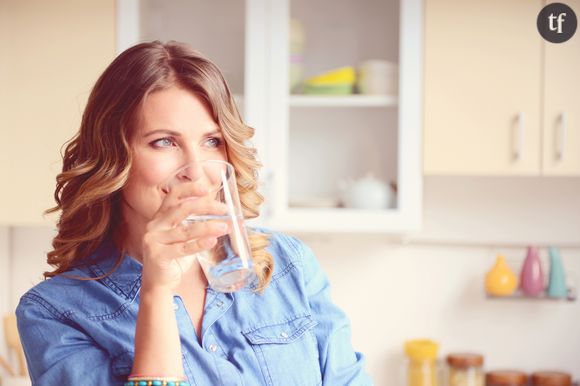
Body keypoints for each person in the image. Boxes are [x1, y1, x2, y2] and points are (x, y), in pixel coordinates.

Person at [16, 40, 372, 386]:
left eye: (211, 141)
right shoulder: (55, 313)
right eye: (164, 142)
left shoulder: (288, 265)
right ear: (112, 158)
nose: (196, 169)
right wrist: (156, 292)